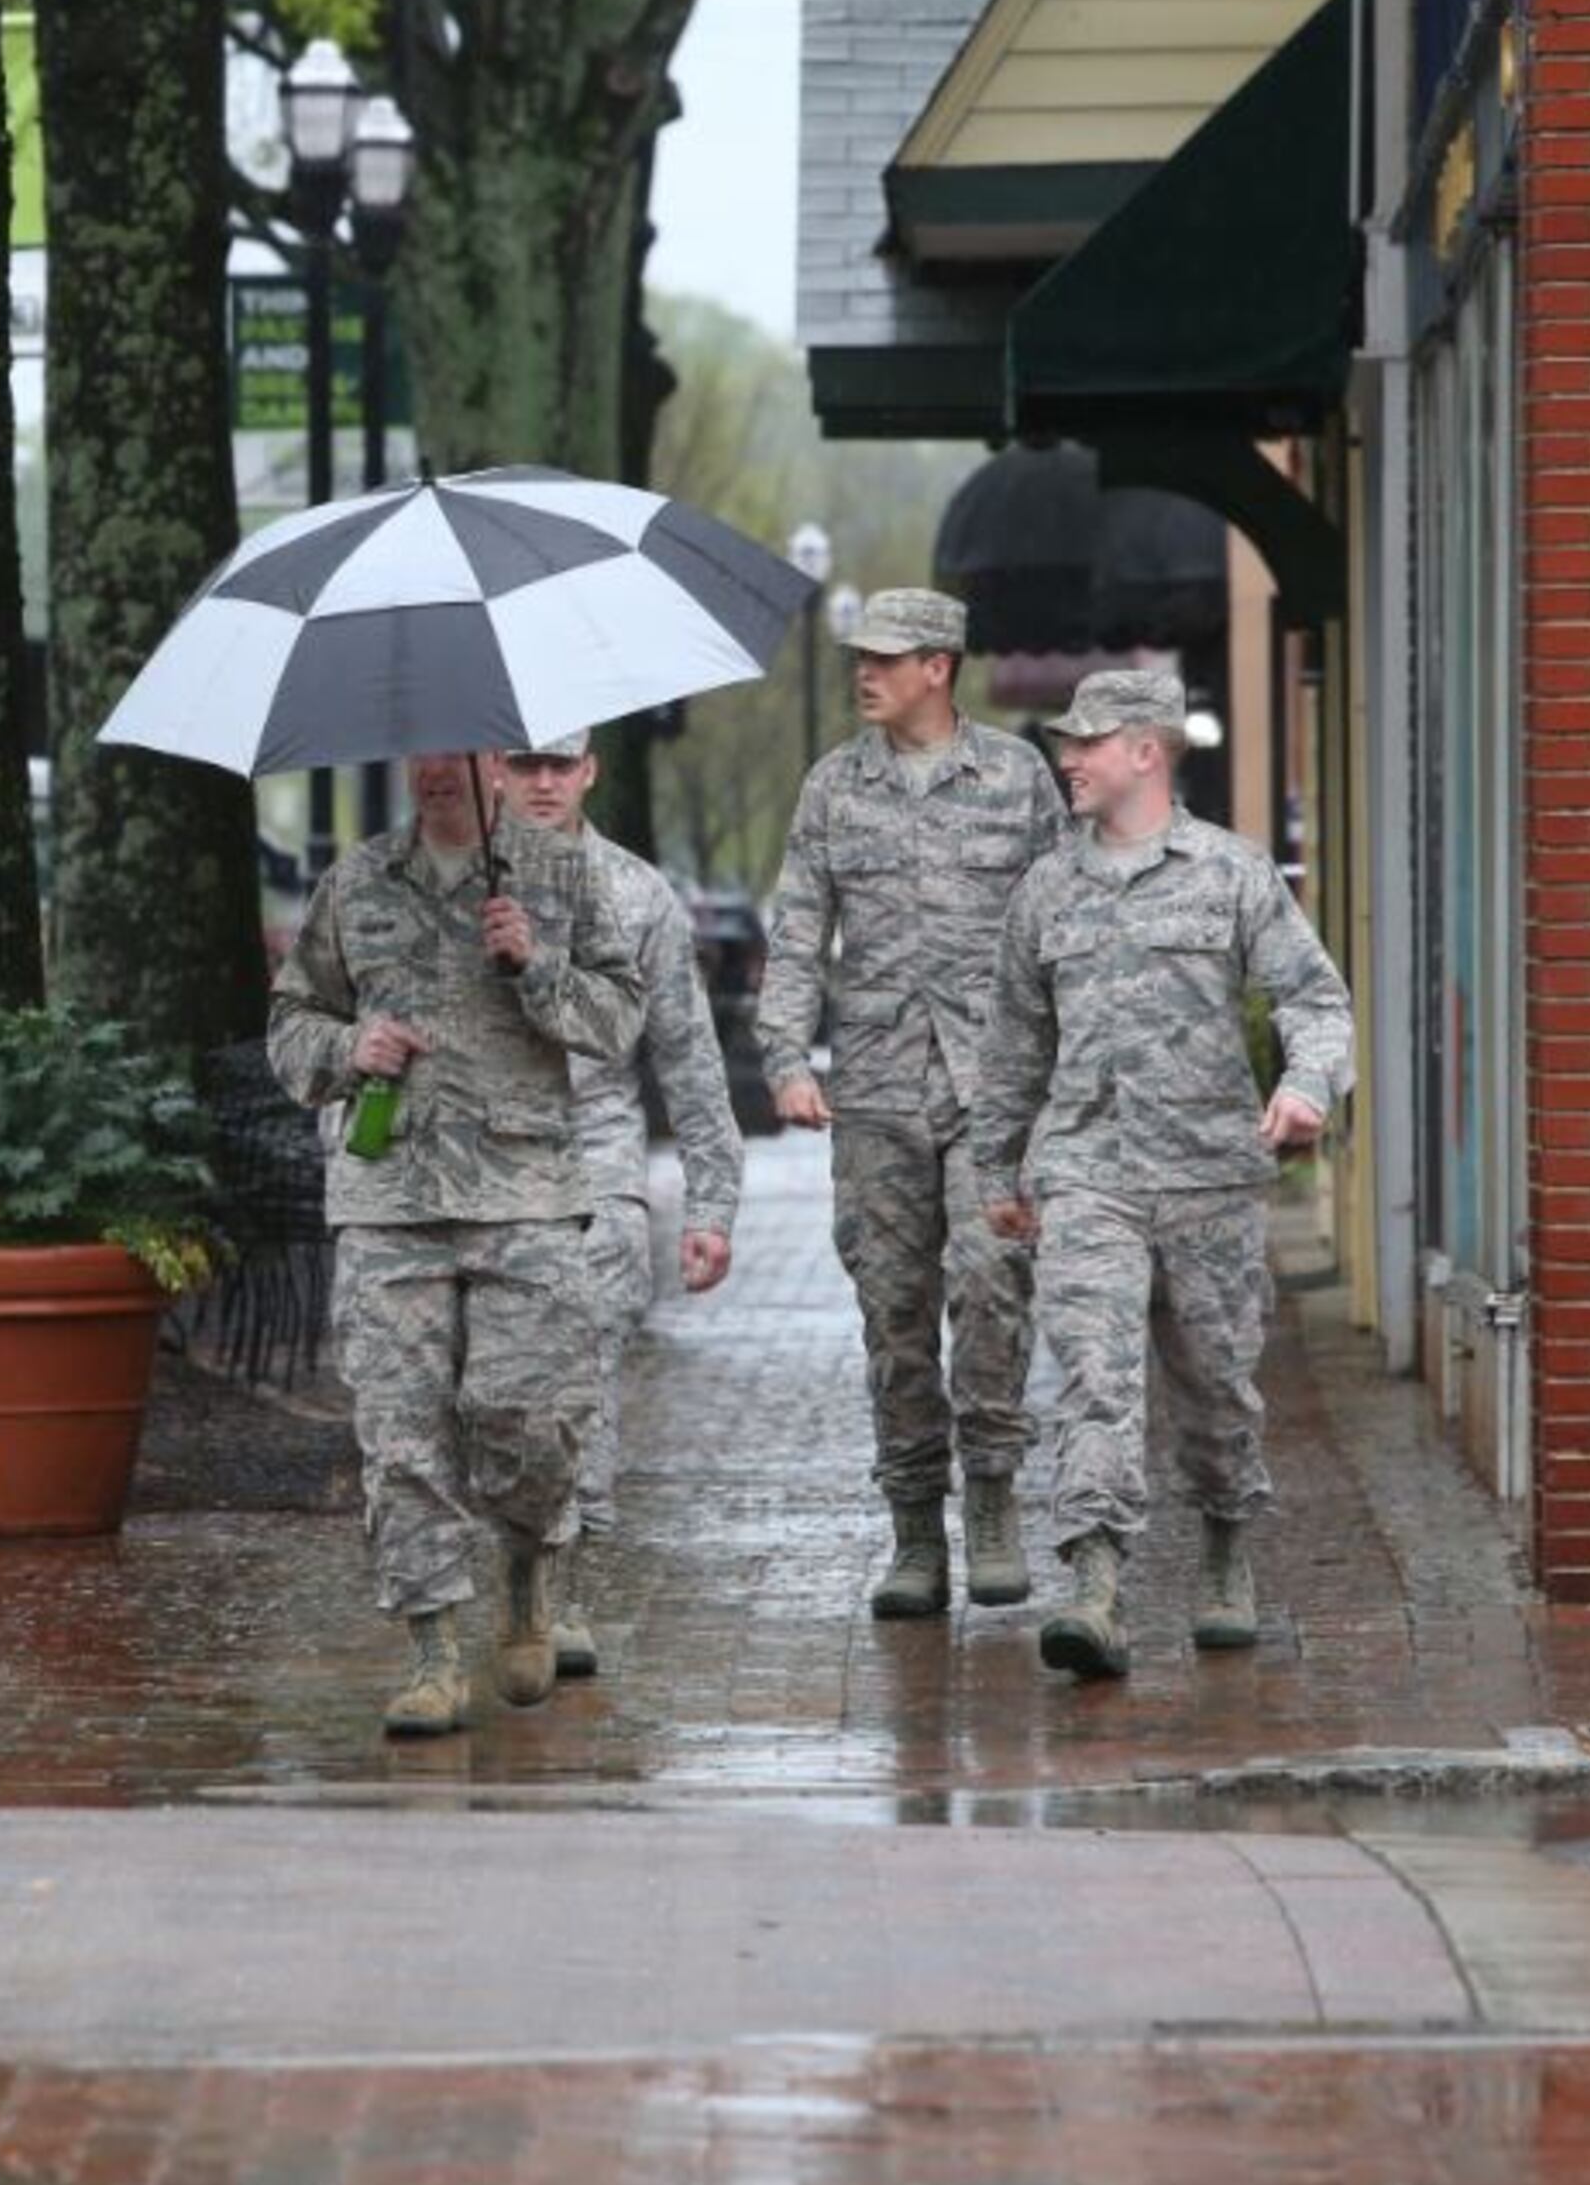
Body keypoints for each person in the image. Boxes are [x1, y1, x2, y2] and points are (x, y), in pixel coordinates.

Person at [966, 666, 1355, 1684]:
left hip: (1210, 1182)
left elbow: (1317, 999)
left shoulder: (1232, 873)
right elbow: (1011, 1043)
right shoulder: (1045, 888)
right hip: (1086, 1173)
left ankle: (1228, 1541)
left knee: (1216, 1390)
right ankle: (1094, 1586)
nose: (1069, 758)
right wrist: (998, 1170)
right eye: (1067, 742)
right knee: (1094, 1378)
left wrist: (1309, 1084)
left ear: (1147, 748)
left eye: (1089, 741)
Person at [269, 746, 646, 1735]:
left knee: (527, 1417)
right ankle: (433, 1653)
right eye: (420, 751)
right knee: (402, 1436)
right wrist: (348, 1048)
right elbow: (292, 1019)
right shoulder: (354, 885)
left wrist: (538, 964)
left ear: (494, 759)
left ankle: (527, 1571)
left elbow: (618, 1019)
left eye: (459, 750)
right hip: (389, 1200)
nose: (436, 768)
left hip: (526, 1193)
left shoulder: (562, 875)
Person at [750, 588, 1067, 1621]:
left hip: (996, 1095)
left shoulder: (1019, 780)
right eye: (860, 656)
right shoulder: (833, 788)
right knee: (893, 1316)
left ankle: (994, 1496)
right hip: (879, 1093)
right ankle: (917, 1532)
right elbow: (798, 931)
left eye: (886, 657)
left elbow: (1061, 930)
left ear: (941, 665)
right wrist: (786, 1057)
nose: (864, 672)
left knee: (991, 1289)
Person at [489, 729, 744, 1680]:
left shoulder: (635, 895)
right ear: (494, 769)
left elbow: (687, 1053)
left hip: (596, 1164)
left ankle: (563, 1583)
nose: (544, 781)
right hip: (476, 1172)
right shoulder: (449, 887)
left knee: (583, 1379)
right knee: (488, 1400)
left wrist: (712, 1204)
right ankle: (515, 1565)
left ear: (591, 768)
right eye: (524, 764)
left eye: (561, 763)